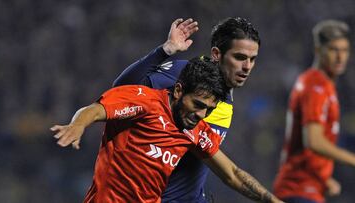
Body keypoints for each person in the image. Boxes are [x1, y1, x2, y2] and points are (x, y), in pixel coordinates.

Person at [51, 57, 283, 203]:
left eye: (209, 110)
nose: (201, 115)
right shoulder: (144, 102)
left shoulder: (195, 130)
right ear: (179, 90)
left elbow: (231, 174)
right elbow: (95, 110)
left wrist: (270, 199)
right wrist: (78, 125)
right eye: (198, 105)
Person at [113, 17, 260, 202]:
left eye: (252, 59)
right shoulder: (183, 73)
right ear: (216, 54)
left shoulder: (225, 97)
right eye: (239, 57)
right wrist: (164, 51)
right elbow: (120, 91)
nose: (247, 67)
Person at [273, 19, 355, 203]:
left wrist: (324, 178)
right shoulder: (315, 86)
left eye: (345, 50)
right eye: (334, 50)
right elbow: (314, 141)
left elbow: (303, 147)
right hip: (298, 189)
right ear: (318, 50)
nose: (340, 57)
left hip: (306, 189)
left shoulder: (323, 85)